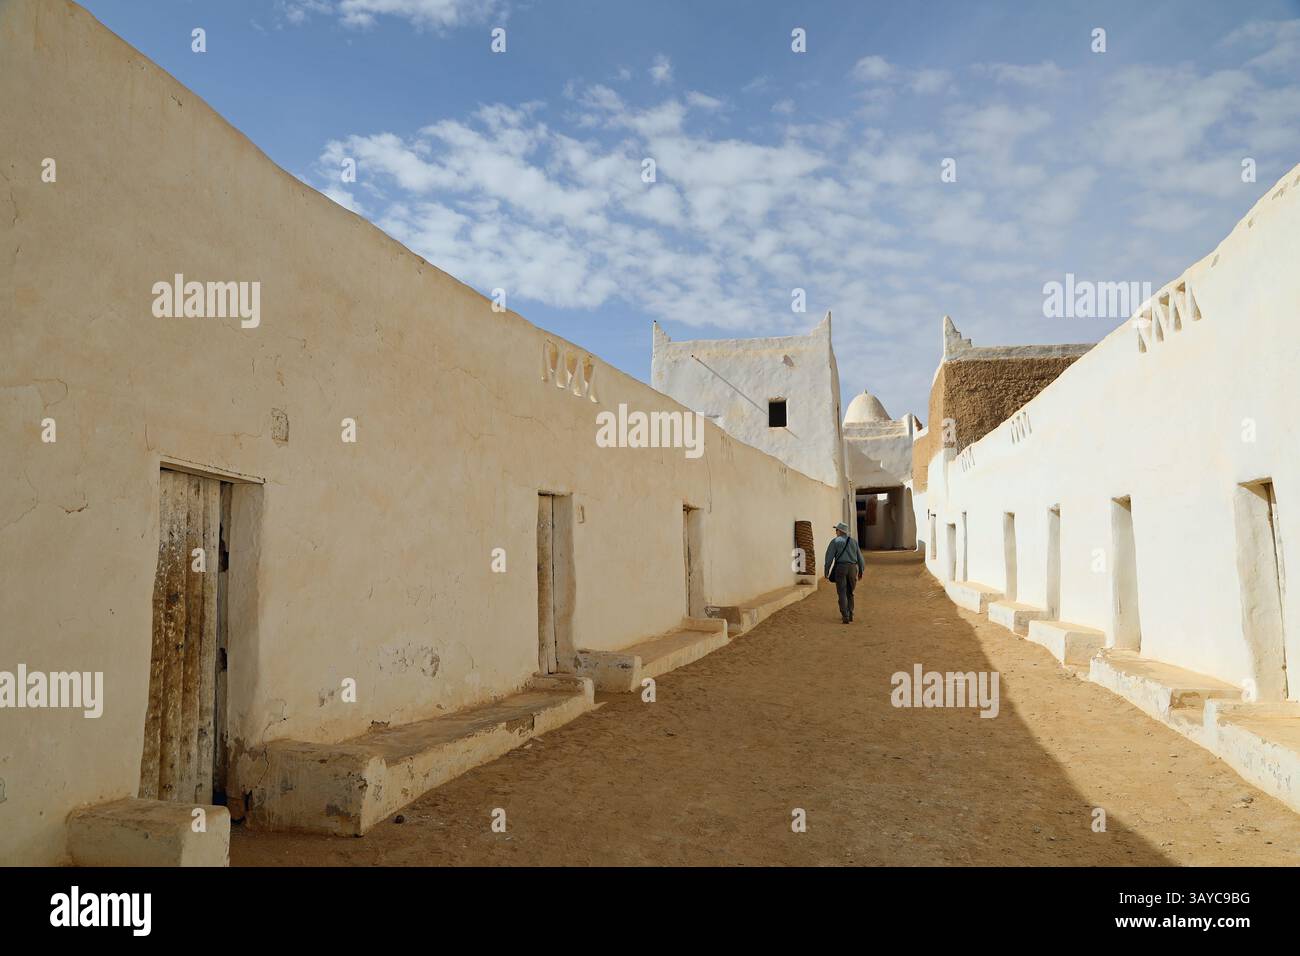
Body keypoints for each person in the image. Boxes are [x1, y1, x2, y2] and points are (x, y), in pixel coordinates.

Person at [824, 522, 865, 624]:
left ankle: (845, 615)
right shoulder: (853, 542)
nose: (836, 532)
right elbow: (860, 557)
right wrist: (861, 570)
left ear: (840, 531)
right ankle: (850, 614)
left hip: (841, 568)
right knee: (850, 592)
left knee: (842, 592)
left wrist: (826, 570)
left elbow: (829, 557)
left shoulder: (835, 542)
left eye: (836, 530)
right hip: (852, 568)